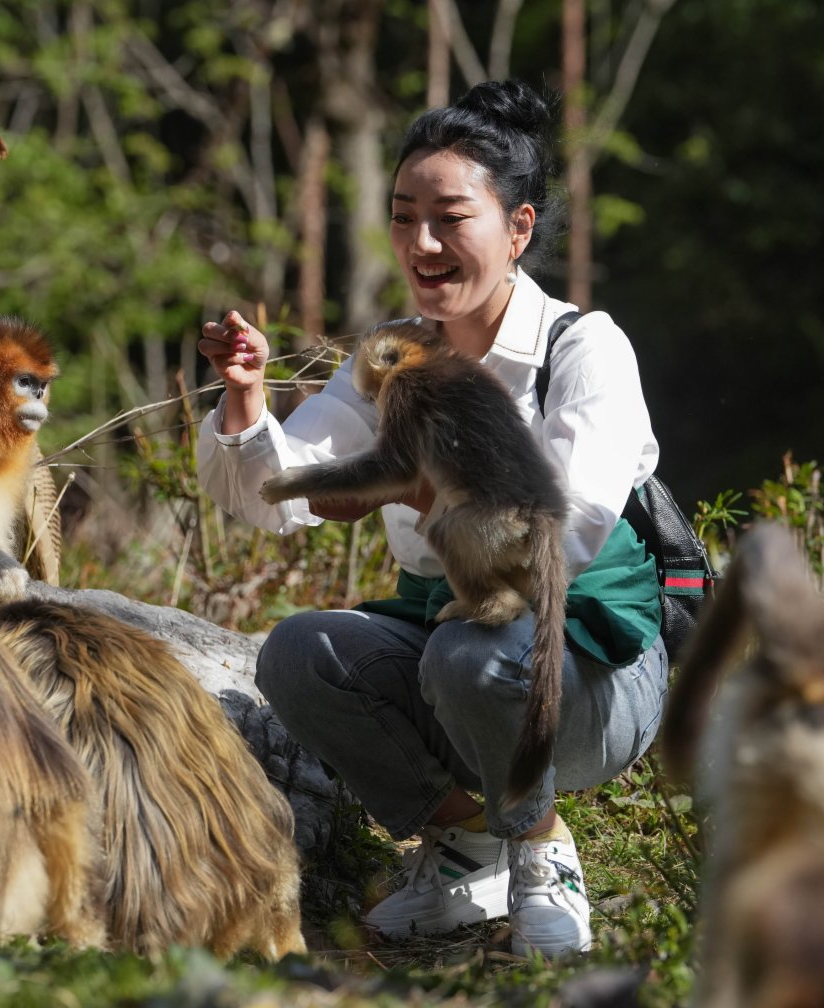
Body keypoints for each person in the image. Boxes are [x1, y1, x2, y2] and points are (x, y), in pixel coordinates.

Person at [195, 79, 665, 957]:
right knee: (300, 653)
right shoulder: (393, 355)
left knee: (470, 654)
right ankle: (465, 845)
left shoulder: (583, 347)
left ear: (517, 229)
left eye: (451, 217)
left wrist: (420, 491)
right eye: (404, 216)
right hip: (464, 658)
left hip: (591, 672)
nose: (422, 243)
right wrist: (247, 398)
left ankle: (540, 848)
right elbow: (273, 494)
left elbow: (580, 522)